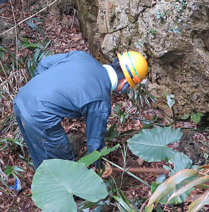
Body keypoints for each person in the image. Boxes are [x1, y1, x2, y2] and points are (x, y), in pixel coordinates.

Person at [13, 50, 149, 169]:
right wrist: (100, 165)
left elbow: (44, 63)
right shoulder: (100, 100)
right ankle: (64, 195)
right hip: (39, 117)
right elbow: (95, 143)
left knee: (39, 150)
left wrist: (40, 90)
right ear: (125, 83)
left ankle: (43, 185)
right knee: (62, 165)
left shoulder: (82, 56)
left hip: (22, 98)